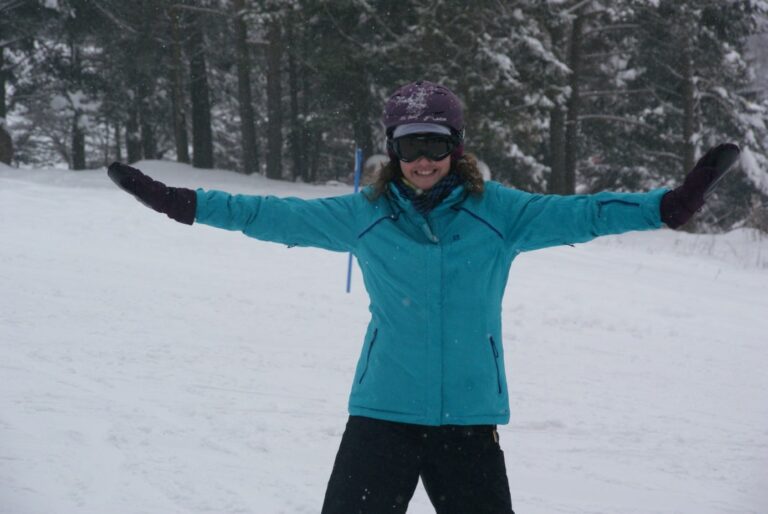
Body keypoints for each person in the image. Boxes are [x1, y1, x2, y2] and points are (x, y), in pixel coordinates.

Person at [108, 80, 738, 514]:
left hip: (468, 419)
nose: (424, 160)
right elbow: (270, 215)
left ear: (455, 147)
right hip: (382, 413)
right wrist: (185, 204)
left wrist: (665, 205)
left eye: (437, 144)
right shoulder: (367, 214)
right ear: (394, 149)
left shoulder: (502, 213)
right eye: (412, 145)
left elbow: (586, 214)